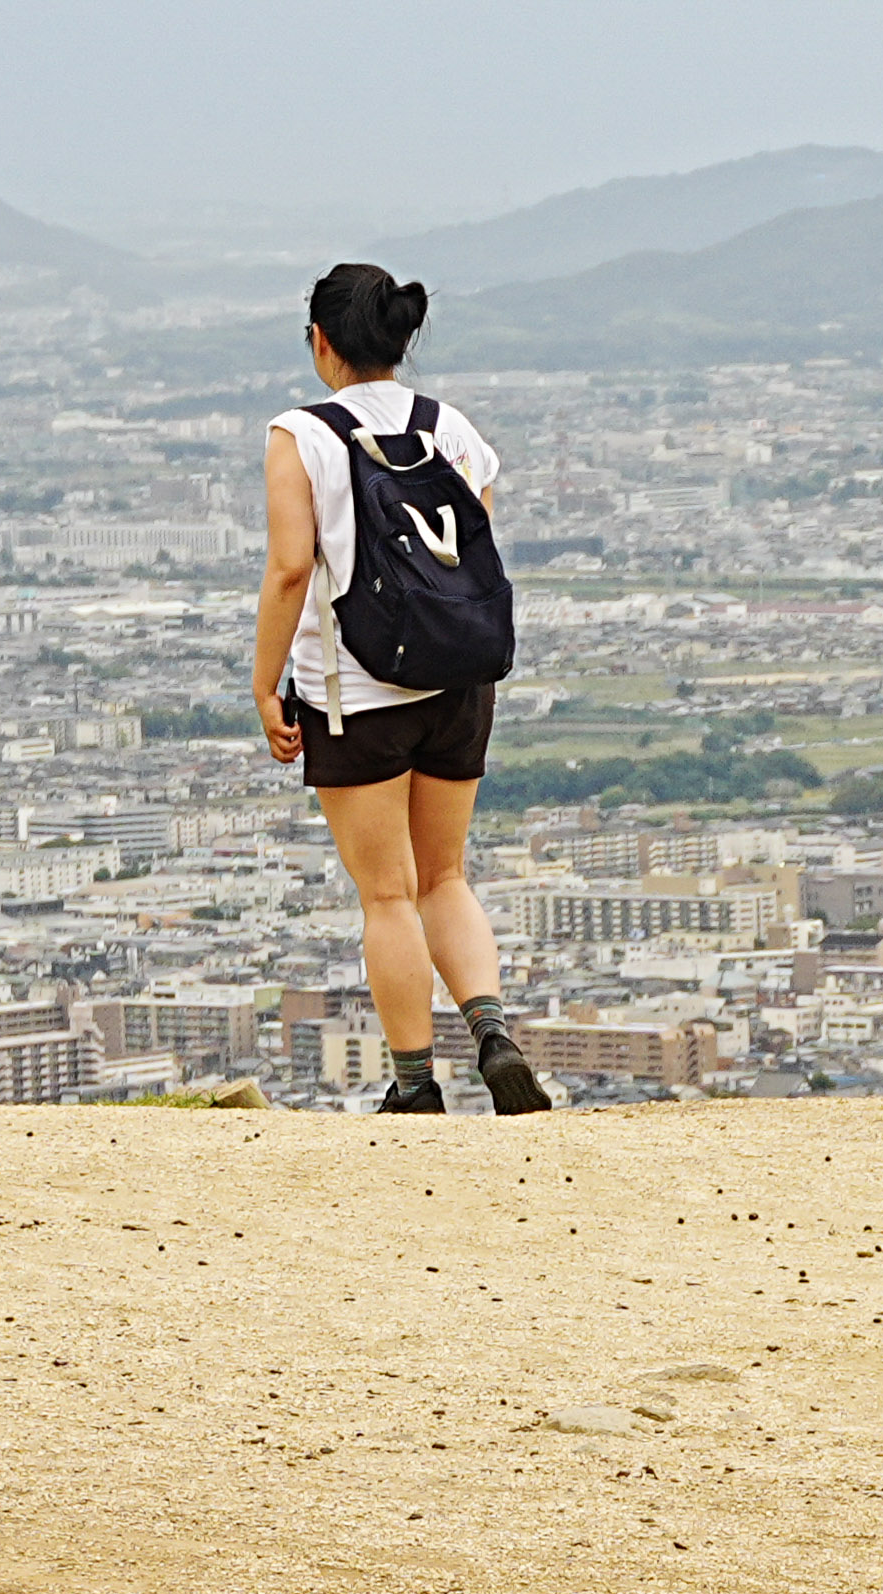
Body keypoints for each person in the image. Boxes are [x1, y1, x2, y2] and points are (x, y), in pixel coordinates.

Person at [255, 261, 545, 1114]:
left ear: (321, 341)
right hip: (457, 681)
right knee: (445, 876)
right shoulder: (451, 426)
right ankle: (492, 1033)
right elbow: (469, 549)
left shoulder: (299, 436)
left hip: (356, 694)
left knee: (387, 895)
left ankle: (416, 1085)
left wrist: (266, 686)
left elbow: (288, 571)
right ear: (401, 338)